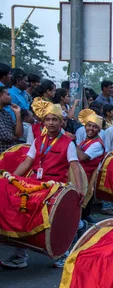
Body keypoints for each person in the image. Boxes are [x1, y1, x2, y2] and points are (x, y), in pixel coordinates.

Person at [1, 98, 84, 269]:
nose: (51, 123)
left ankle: (65, 251)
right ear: (43, 121)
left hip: (54, 187)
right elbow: (27, 162)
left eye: (55, 119)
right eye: (48, 119)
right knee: (21, 213)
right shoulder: (38, 141)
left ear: (61, 122)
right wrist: (11, 178)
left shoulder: (68, 143)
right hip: (35, 184)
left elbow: (75, 166)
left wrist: (79, 190)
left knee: (56, 221)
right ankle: (20, 255)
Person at [76, 109, 105, 225]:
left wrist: (73, 145)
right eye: (89, 126)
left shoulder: (97, 144)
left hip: (87, 175)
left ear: (99, 130)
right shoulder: (85, 141)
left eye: (94, 127)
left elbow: (83, 157)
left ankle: (82, 223)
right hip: (80, 173)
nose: (91, 129)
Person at [0, 86, 23, 152]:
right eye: (8, 94)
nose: (11, 97)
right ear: (1, 96)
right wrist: (16, 138)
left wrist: (18, 114)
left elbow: (19, 134)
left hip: (8, 154)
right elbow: (6, 136)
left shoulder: (6, 113)